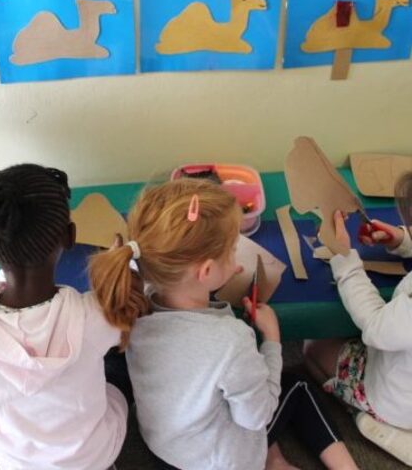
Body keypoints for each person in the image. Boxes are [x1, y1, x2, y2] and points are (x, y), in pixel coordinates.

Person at [90, 178, 358, 470]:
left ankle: (275, 458)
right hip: (221, 462)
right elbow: (258, 416)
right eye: (232, 252)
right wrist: (272, 340)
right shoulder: (232, 339)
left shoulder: (134, 299)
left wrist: (222, 270)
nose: (237, 261)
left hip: (167, 451)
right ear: (205, 271)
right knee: (297, 385)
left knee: (232, 386)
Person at [0, 164, 129, 470]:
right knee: (119, 368)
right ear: (70, 237)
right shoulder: (92, 315)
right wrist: (116, 266)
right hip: (89, 458)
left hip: (13, 458)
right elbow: (125, 319)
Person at [304, 172, 412, 433]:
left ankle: (363, 410)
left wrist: (344, 258)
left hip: (398, 403)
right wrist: (402, 240)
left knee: (311, 347)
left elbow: (375, 327)